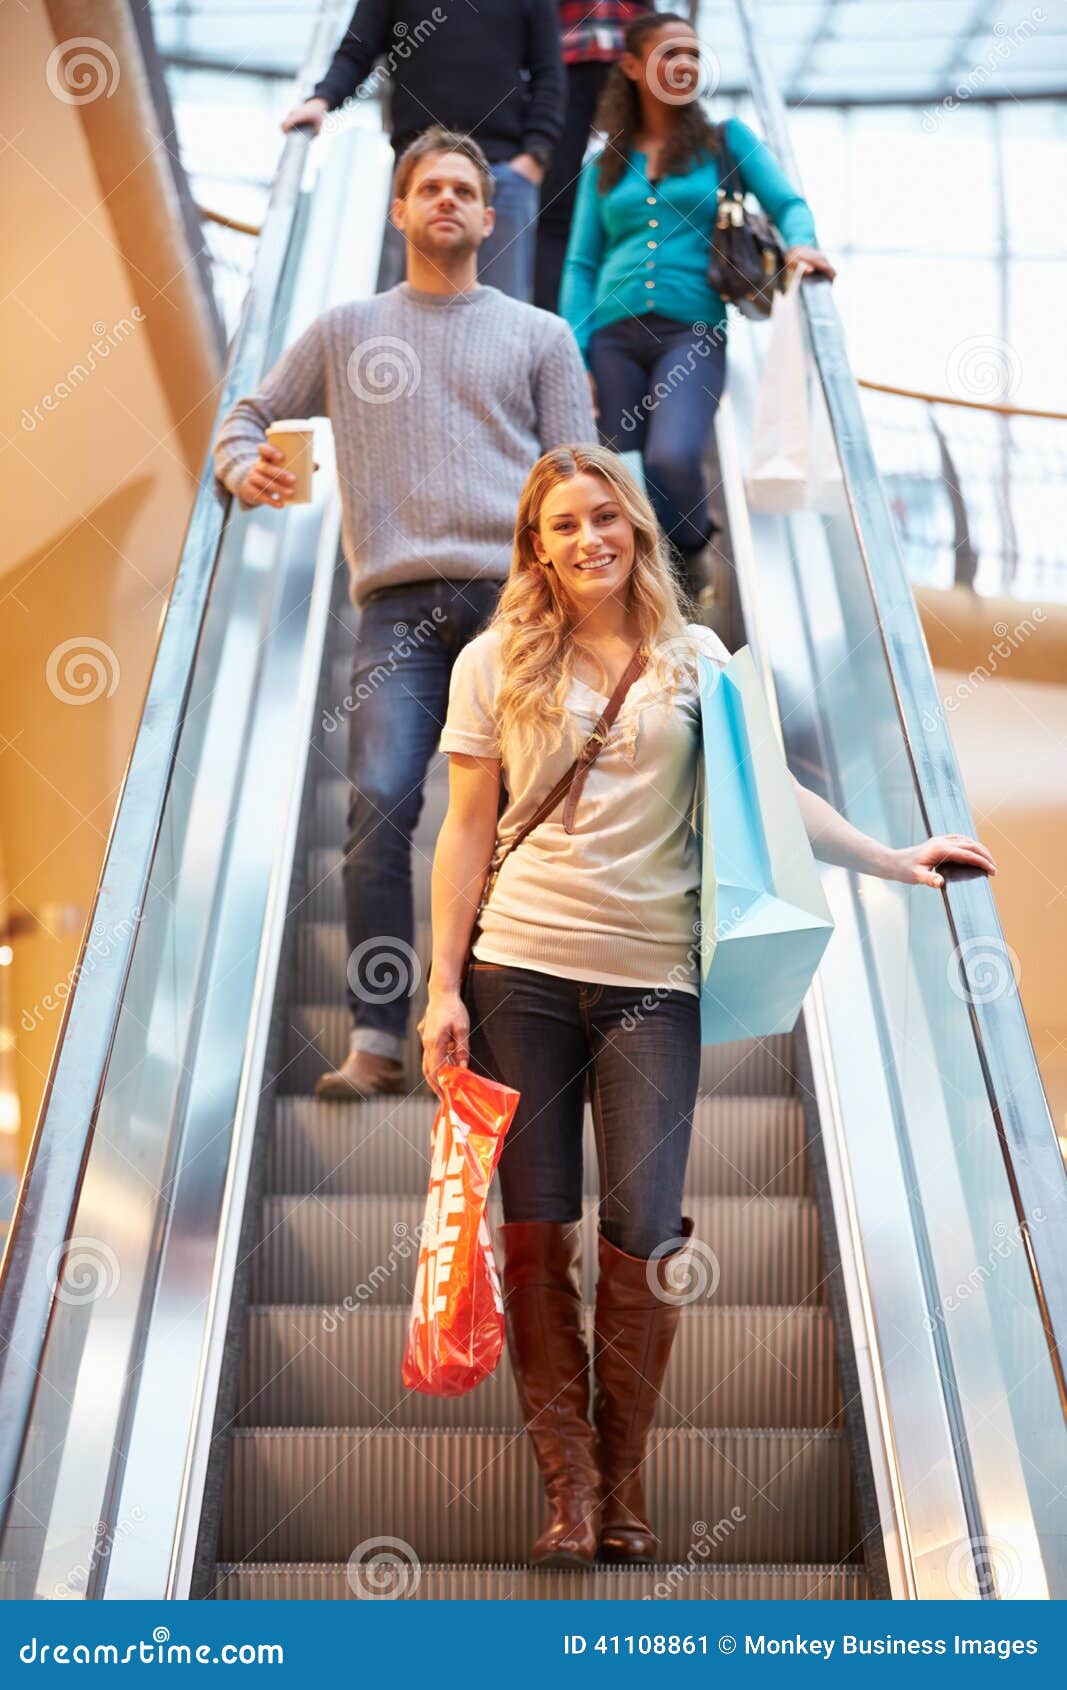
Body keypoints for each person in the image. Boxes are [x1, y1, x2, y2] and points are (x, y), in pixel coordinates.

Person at [419, 442, 997, 1568]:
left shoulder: (694, 659)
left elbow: (766, 792)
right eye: (562, 528)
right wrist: (441, 984)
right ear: (534, 550)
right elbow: (464, 829)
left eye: (604, 519)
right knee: (535, 1233)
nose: (588, 540)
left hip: (652, 979)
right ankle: (574, 1497)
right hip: (519, 968)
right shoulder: (493, 661)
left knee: (643, 1228)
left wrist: (886, 855)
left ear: (634, 526)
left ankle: (625, 1477)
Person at [213, 129, 596, 1100]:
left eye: (464, 188)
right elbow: (244, 416)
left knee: (526, 818)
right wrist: (237, 464)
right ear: (399, 211)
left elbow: (581, 481)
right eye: (427, 187)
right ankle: (378, 1034)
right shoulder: (346, 331)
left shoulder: (540, 335)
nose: (446, 200)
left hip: (518, 607)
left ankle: (498, 1028)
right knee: (379, 804)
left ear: (487, 212)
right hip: (396, 608)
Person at [559, 11, 836, 600]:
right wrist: (574, 352)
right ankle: (643, 593)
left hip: (693, 332)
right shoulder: (603, 164)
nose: (684, 65)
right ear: (633, 67)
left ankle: (688, 555)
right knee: (621, 474)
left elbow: (787, 203)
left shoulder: (725, 141)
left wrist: (803, 242)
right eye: (668, 55)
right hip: (611, 336)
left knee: (673, 453)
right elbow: (582, 264)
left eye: (692, 55)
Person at [281, 0, 565, 302]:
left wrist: (535, 155)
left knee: (502, 319)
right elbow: (357, 51)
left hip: (503, 177)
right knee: (407, 312)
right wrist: (322, 100)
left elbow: (549, 73)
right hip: (419, 175)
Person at [534, 1, 651, 314]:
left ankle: (620, 311)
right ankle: (551, 316)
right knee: (556, 199)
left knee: (636, 195)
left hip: (630, 60)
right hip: (569, 59)